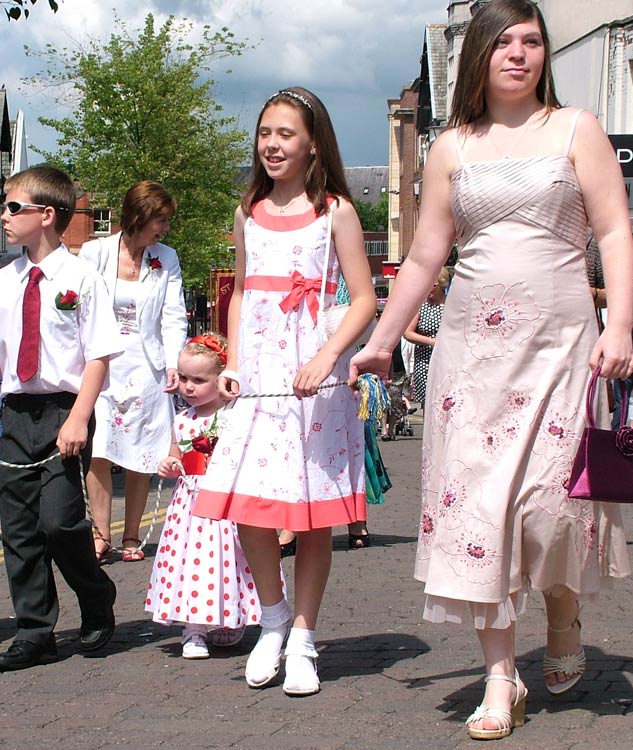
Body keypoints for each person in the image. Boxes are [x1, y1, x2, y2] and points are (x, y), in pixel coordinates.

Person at [350, 0, 633, 739]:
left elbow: (613, 228)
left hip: (562, 348)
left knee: (548, 509)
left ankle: (562, 612)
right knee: (480, 516)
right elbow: (423, 255)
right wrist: (382, 338)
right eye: (503, 41)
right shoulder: (451, 146)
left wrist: (622, 321)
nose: (518, 54)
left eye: (531, 41)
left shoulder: (577, 129)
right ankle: (500, 676)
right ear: (478, 53)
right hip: (473, 356)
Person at [193, 86, 376, 697]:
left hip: (312, 387)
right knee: (248, 504)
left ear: (313, 142)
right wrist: (233, 362)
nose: (272, 145)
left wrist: (327, 359)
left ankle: (303, 637)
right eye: (265, 133)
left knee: (312, 514)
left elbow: (364, 298)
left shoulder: (336, 212)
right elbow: (242, 291)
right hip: (259, 383)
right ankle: (270, 620)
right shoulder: (248, 211)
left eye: (286, 134)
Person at [0, 166, 122, 671]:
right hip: (17, 411)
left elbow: (98, 355)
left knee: (57, 520)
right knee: (20, 527)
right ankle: (35, 630)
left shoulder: (80, 277)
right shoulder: (5, 281)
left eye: (13, 208)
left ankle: (95, 594)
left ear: (46, 215)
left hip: (63, 408)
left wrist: (79, 418)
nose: (3, 216)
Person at [78, 181, 187, 563]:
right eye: (161, 220)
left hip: (147, 365)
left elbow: (173, 316)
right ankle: (100, 533)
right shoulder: (94, 252)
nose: (165, 229)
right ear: (138, 217)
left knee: (143, 450)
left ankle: (131, 535)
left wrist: (174, 362)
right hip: (103, 365)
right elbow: (80, 309)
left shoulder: (166, 258)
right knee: (100, 449)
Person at [146, 334, 262, 659]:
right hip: (189, 505)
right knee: (189, 564)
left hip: (224, 502)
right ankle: (192, 629)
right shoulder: (182, 420)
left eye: (199, 380)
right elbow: (176, 455)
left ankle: (229, 616)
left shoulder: (232, 416)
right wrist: (169, 464)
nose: (188, 387)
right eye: (183, 378)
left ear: (220, 378)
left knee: (226, 561)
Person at [402, 266, 452, 409]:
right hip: (425, 362)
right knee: (429, 404)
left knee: (447, 400)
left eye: (433, 285)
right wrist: (432, 342)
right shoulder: (421, 306)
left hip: (448, 359)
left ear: (441, 285)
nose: (429, 288)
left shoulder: (450, 304)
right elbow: (408, 333)